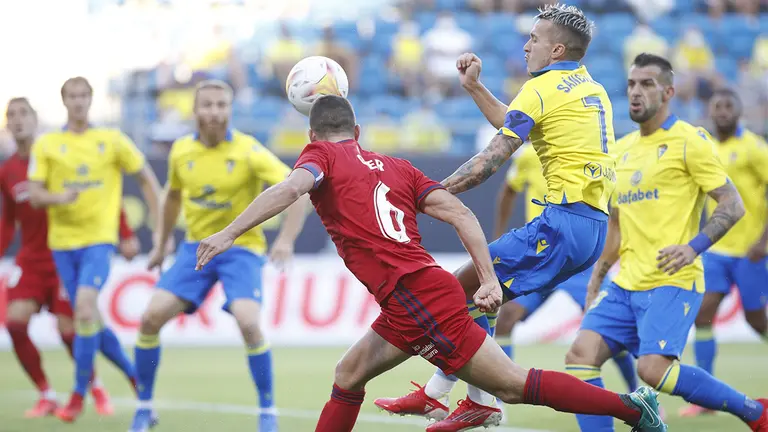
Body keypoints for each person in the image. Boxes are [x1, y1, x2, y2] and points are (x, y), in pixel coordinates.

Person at [194, 95, 667, 432]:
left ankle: (630, 408)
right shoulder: (400, 167)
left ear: (312, 135)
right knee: (348, 374)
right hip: (418, 294)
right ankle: (470, 405)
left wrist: (227, 232)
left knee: (514, 387)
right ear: (358, 133)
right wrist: (486, 279)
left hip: (417, 300)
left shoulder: (320, 156)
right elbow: (462, 213)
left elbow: (289, 189)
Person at [375, 4, 619, 429]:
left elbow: (490, 160)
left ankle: (457, 399)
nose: (526, 47)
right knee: (478, 294)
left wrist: (430, 194)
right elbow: (517, 121)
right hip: (589, 229)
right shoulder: (589, 87)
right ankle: (457, 398)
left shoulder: (541, 88)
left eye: (534, 39)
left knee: (451, 292)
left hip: (561, 225)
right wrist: (475, 88)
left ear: (556, 49)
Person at [564, 53, 768, 432]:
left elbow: (732, 204)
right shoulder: (620, 150)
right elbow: (618, 224)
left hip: (673, 281)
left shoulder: (690, 140)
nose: (636, 92)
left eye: (647, 84)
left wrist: (693, 248)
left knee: (652, 370)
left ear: (669, 91)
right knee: (579, 356)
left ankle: (755, 413)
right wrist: (600, 272)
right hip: (625, 283)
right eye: (631, 84)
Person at [128, 80, 309, 432]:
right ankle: (144, 407)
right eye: (207, 105)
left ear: (230, 109)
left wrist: (286, 240)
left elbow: (298, 192)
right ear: (195, 110)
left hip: (241, 248)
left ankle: (267, 413)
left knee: (248, 321)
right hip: (195, 248)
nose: (214, 112)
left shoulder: (248, 150)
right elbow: (172, 199)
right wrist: (160, 242)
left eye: (222, 105)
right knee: (150, 318)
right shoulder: (181, 151)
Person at [27, 77, 162, 422]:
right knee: (91, 321)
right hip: (62, 245)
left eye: (83, 96)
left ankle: (76, 396)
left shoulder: (111, 140)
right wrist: (59, 197)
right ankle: (136, 378)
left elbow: (146, 176)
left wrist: (157, 224)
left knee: (83, 310)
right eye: (72, 96)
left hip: (99, 242)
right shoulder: (48, 144)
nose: (78, 102)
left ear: (91, 99)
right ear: (63, 100)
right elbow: (35, 194)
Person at [1, 97, 140, 418]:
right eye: (11, 115)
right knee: (15, 323)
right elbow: (8, 220)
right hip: (32, 260)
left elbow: (98, 198)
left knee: (73, 329)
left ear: (36, 120)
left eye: (24, 113)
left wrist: (124, 231)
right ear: (7, 124)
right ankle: (46, 394)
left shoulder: (57, 153)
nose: (18, 120)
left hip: (69, 252)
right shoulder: (8, 170)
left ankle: (102, 385)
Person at [494, 144, 638, 397]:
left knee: (608, 327)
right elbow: (508, 191)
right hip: (540, 258)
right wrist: (498, 234)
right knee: (505, 319)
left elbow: (613, 210)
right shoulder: (531, 155)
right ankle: (499, 399)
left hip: (577, 260)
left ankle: (637, 391)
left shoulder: (589, 154)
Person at [680, 89, 768, 417]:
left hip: (751, 253)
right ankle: (707, 401)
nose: (722, 112)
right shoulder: (705, 148)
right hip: (716, 249)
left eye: (729, 106)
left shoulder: (755, 148)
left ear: (739, 111)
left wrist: (763, 241)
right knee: (703, 314)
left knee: (756, 321)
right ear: (710, 112)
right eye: (717, 107)